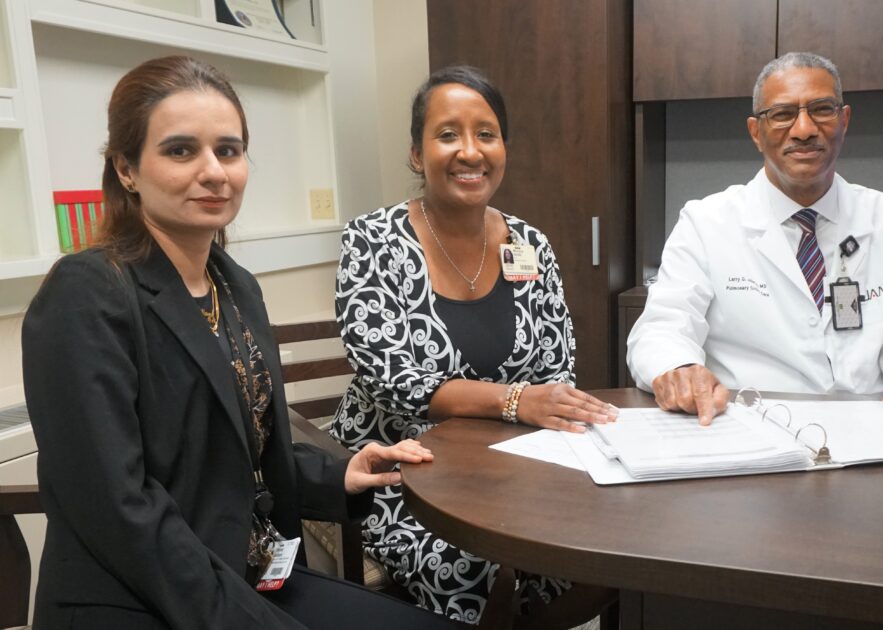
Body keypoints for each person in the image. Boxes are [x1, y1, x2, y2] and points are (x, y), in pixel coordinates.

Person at [22, 56, 458, 630]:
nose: (214, 172)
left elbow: (237, 450)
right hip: (141, 598)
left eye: (228, 150)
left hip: (242, 572)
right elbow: (118, 509)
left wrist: (342, 472)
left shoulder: (235, 287)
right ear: (127, 169)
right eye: (181, 151)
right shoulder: (86, 293)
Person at [332, 65, 617, 627]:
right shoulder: (372, 241)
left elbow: (556, 369)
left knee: (600, 556)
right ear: (417, 153)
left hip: (512, 470)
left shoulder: (528, 243)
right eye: (447, 135)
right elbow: (395, 381)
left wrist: (540, 409)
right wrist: (514, 400)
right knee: (475, 567)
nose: (470, 152)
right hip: (398, 474)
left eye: (486, 134)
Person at [627, 52, 883, 430]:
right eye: (782, 114)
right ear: (756, 133)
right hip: (751, 430)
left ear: (844, 120)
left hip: (875, 433)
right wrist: (677, 367)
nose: (804, 129)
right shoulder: (706, 222)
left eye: (822, 109)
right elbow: (662, 329)